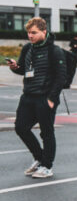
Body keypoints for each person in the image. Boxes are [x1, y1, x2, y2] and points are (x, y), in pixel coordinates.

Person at [8, 17, 65, 179]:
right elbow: (23, 70)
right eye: (28, 33)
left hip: (45, 97)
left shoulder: (54, 51)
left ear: (44, 32)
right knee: (21, 127)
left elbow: (61, 77)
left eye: (34, 33)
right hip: (28, 96)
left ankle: (47, 166)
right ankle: (39, 158)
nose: (30, 36)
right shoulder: (27, 49)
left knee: (46, 132)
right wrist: (15, 67)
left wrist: (51, 99)